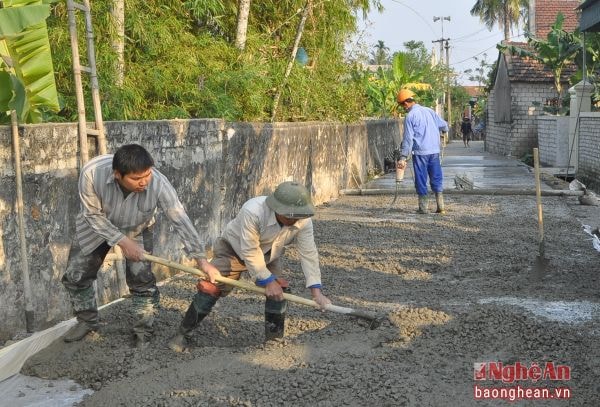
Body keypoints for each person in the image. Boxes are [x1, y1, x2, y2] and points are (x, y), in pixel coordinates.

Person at [61, 144, 220, 347]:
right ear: (118, 174)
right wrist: (122, 241)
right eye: (136, 179)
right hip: (96, 226)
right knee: (76, 276)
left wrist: (201, 260)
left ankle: (144, 330)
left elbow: (179, 218)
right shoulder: (92, 173)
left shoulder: (158, 183)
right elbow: (92, 215)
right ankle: (87, 321)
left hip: (137, 227)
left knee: (142, 281)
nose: (144, 182)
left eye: (147, 175)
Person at [168, 181, 331, 352]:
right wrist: (268, 281)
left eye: (298, 216)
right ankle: (182, 334)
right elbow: (250, 251)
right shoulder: (253, 211)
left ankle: (273, 341)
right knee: (210, 286)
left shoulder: (303, 219)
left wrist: (316, 292)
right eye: (291, 216)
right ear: (278, 209)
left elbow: (309, 253)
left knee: (279, 291)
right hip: (234, 248)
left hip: (269, 253)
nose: (295, 220)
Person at [395, 89, 448, 214]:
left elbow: (408, 139)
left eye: (403, 106)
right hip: (434, 151)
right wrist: (443, 132)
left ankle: (423, 208)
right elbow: (444, 125)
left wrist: (403, 156)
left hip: (420, 153)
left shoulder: (410, 116)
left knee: (421, 179)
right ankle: (441, 207)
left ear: (405, 103)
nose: (404, 108)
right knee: (436, 177)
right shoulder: (430, 111)